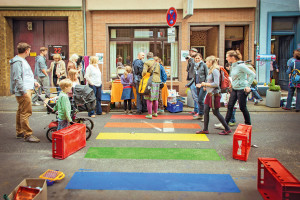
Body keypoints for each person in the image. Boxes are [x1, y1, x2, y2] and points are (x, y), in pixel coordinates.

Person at [10, 42, 41, 142]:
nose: (29, 52)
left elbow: (27, 75)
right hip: (24, 90)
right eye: (29, 51)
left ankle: (20, 132)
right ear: (26, 51)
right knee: (26, 112)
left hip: (27, 88)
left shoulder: (22, 61)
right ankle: (27, 135)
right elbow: (17, 78)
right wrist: (23, 91)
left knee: (21, 111)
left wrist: (34, 82)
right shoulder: (17, 62)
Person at [195, 56, 231, 135]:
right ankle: (205, 129)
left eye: (207, 61)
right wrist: (205, 86)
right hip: (209, 94)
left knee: (216, 112)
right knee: (206, 111)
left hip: (214, 95)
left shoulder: (215, 70)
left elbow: (216, 84)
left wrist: (204, 84)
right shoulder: (211, 69)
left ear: (211, 62)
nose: (206, 63)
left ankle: (227, 129)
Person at [224, 50, 255, 126]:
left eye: (227, 57)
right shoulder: (233, 66)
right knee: (230, 105)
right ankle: (225, 124)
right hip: (235, 88)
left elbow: (252, 74)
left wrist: (248, 85)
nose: (226, 59)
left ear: (233, 57)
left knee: (242, 107)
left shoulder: (241, 66)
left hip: (242, 89)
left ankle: (248, 124)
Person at [186, 53, 208, 120]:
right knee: (199, 100)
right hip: (197, 84)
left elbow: (207, 75)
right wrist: (189, 84)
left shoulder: (204, 65)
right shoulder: (195, 66)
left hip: (203, 84)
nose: (197, 59)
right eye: (196, 58)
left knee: (201, 100)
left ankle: (204, 115)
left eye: (198, 58)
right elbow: (194, 76)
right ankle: (200, 114)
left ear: (201, 58)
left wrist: (205, 85)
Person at [143, 52, 161, 119]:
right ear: (153, 57)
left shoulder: (146, 63)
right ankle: (155, 113)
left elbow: (144, 72)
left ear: (147, 57)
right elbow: (159, 73)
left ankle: (150, 114)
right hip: (157, 81)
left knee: (149, 98)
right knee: (155, 98)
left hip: (150, 81)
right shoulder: (157, 63)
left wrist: (143, 76)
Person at [186, 48, 199, 115]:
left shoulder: (195, 61)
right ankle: (196, 110)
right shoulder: (191, 60)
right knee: (194, 96)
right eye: (190, 51)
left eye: (192, 52)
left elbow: (194, 66)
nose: (190, 53)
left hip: (195, 80)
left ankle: (199, 111)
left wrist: (190, 59)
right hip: (191, 79)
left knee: (196, 96)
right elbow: (188, 69)